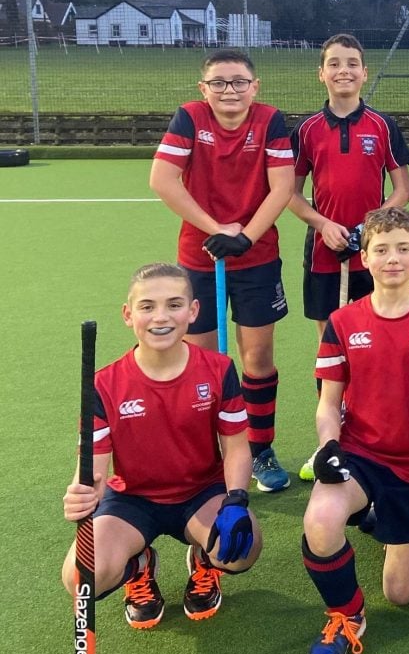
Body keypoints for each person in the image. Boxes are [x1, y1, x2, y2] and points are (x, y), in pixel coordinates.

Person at [300, 207, 409, 654]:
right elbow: (328, 403)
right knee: (320, 520)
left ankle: (380, 517)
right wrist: (328, 446)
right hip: (361, 453)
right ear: (365, 259)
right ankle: (347, 614)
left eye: (402, 249)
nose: (392, 258)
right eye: (381, 249)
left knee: (399, 593)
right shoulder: (342, 321)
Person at [61, 263, 262, 630]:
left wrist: (236, 499)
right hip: (132, 500)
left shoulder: (219, 369)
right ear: (128, 314)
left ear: (193, 311)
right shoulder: (104, 384)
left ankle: (204, 561)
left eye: (174, 304)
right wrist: (81, 494)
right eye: (147, 306)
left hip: (201, 493)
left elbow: (236, 448)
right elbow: (93, 472)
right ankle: (138, 566)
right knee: (81, 578)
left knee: (242, 549)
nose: (161, 317)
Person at [150, 48, 295, 493]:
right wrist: (217, 229)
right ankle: (207, 458)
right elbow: (162, 179)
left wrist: (245, 237)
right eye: (218, 82)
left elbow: (282, 187)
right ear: (203, 88)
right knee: (204, 364)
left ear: (255, 87)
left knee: (257, 360)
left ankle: (260, 448)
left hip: (257, 257)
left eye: (238, 82)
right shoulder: (190, 118)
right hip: (201, 258)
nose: (228, 90)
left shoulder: (270, 120)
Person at [290, 33, 409, 481]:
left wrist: (372, 225)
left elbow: (403, 189)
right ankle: (331, 440)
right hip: (324, 255)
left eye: (352, 64)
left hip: (373, 255)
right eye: (334, 63)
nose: (343, 70)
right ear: (321, 73)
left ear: (364, 73)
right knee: (332, 349)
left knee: (376, 343)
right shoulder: (306, 130)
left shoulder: (382, 125)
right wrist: (323, 224)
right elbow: (290, 193)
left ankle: (375, 437)